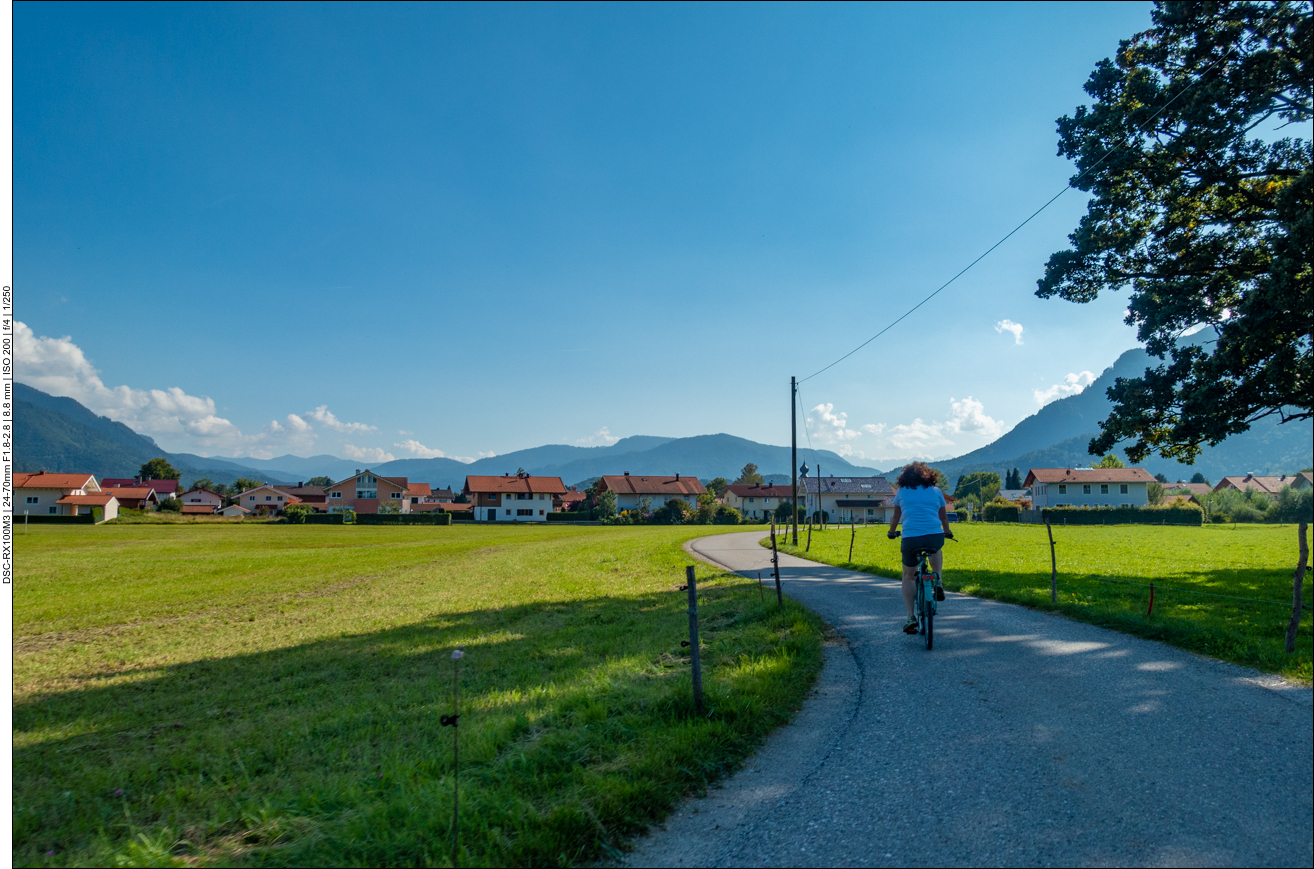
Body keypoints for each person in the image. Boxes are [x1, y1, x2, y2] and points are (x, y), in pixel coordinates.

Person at [887, 461, 953, 634]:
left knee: (908, 576)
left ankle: (910, 617)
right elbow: (943, 517)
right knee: (936, 547)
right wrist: (947, 532)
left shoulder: (901, 492)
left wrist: (891, 532)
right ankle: (937, 579)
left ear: (905, 477)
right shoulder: (936, 491)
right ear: (928, 476)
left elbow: (896, 516)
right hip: (934, 535)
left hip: (911, 538)